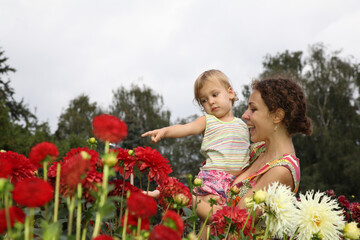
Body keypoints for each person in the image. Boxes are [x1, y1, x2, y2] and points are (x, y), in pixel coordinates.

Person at [195, 76, 313, 221]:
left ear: (277, 116)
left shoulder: (282, 170)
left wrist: (188, 199)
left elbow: (233, 224)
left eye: (253, 109)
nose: (245, 115)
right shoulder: (257, 150)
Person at [141, 69, 250, 203]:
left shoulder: (244, 125)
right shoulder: (208, 120)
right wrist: (165, 131)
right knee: (212, 208)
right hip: (214, 178)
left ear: (230, 93)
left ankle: (168, 192)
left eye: (215, 94)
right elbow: (186, 128)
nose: (210, 101)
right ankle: (166, 192)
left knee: (232, 216)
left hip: (239, 181)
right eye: (204, 100)